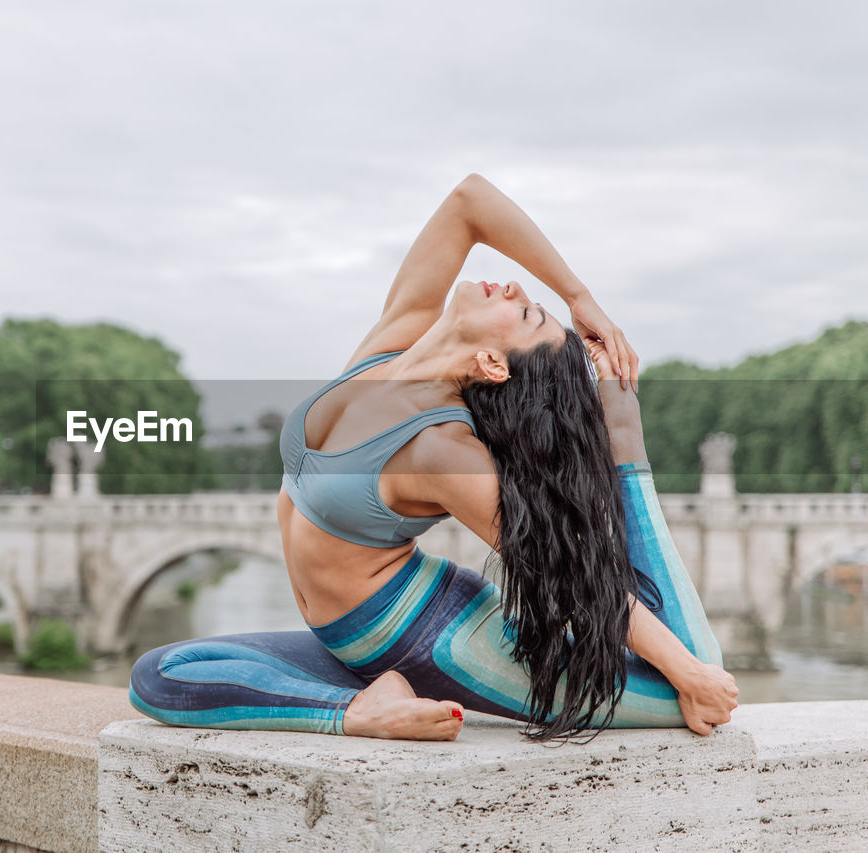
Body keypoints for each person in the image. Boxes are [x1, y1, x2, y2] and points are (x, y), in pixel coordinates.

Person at [129, 173, 740, 741]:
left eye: (524, 315)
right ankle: (370, 700)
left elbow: (572, 575)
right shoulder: (389, 345)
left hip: (438, 642)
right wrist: (579, 299)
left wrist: (690, 674)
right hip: (356, 641)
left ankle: (354, 712)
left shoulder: (442, 448)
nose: (516, 288)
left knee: (689, 675)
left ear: (494, 364)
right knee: (161, 674)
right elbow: (469, 200)